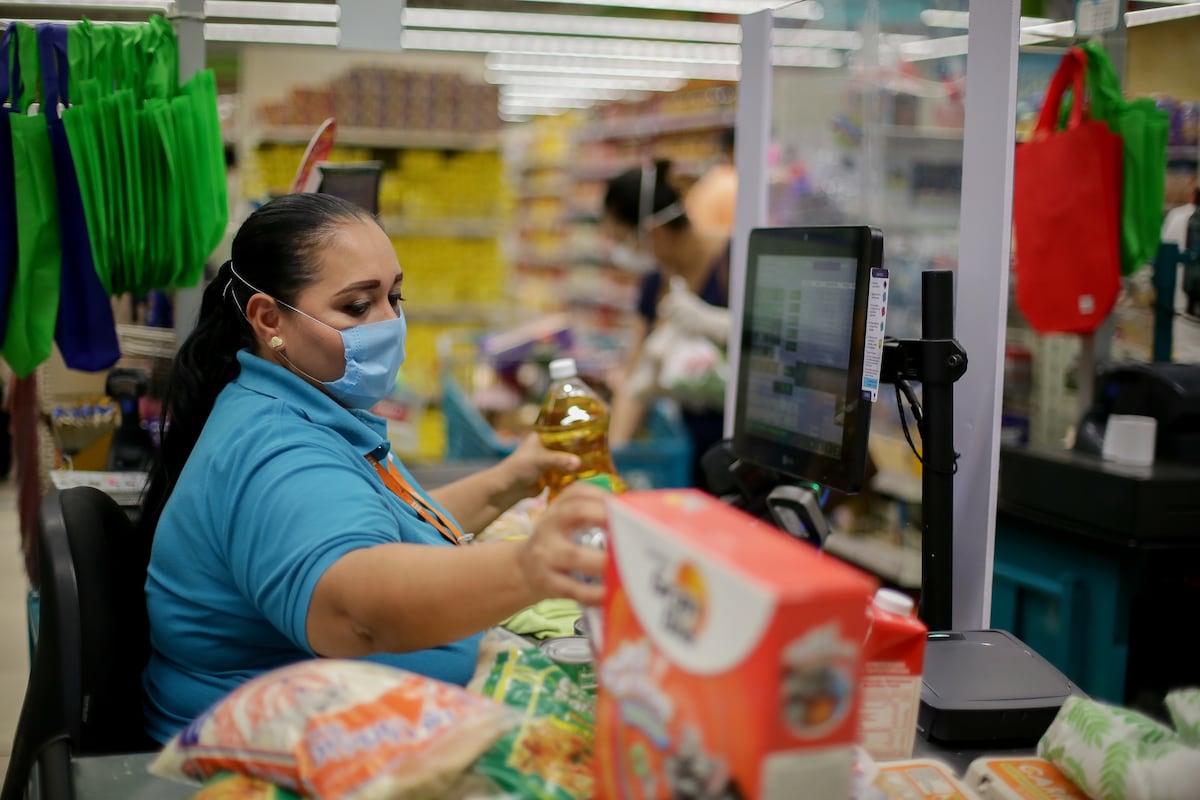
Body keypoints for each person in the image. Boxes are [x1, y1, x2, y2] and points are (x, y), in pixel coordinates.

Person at [139, 193, 607, 743]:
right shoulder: (277, 449)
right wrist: (529, 567)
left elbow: (386, 526)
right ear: (269, 319)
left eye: (394, 296)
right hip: (275, 759)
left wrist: (514, 478)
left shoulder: (297, 407)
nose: (390, 324)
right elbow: (357, 612)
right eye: (358, 307)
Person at [602, 161, 731, 487]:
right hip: (687, 449)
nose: (625, 253)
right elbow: (634, 380)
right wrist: (612, 462)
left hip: (736, 446)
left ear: (654, 231)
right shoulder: (654, 284)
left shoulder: (733, 263)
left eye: (625, 239)